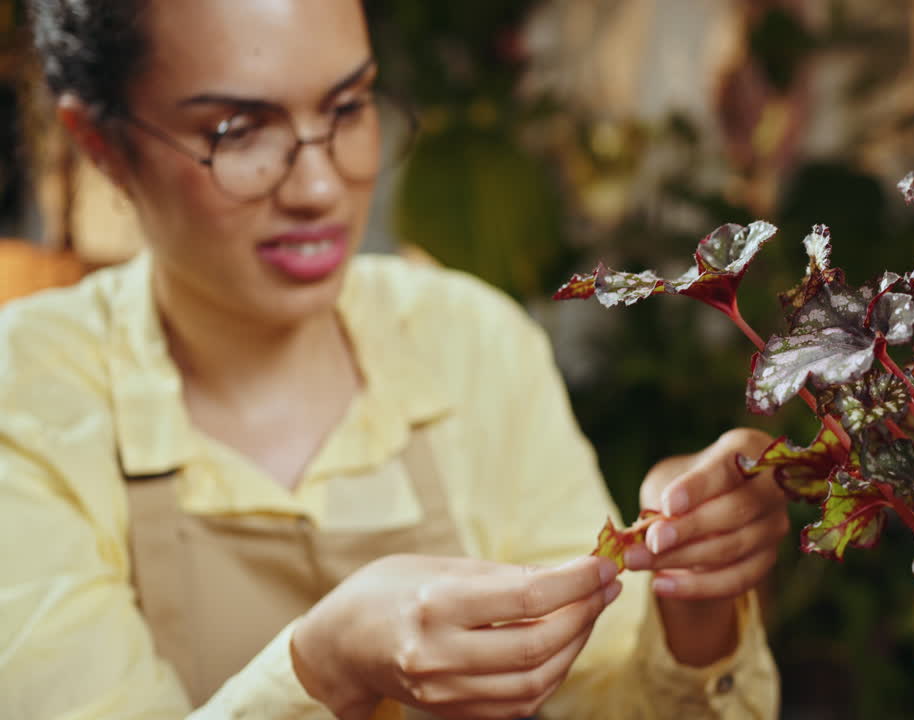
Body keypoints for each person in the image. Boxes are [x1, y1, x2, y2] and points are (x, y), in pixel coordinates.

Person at [0, 1, 788, 719]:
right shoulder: (27, 396)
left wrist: (694, 607)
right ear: (100, 144)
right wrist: (326, 668)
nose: (318, 184)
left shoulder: (468, 342)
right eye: (236, 131)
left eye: (346, 108)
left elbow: (605, 699)